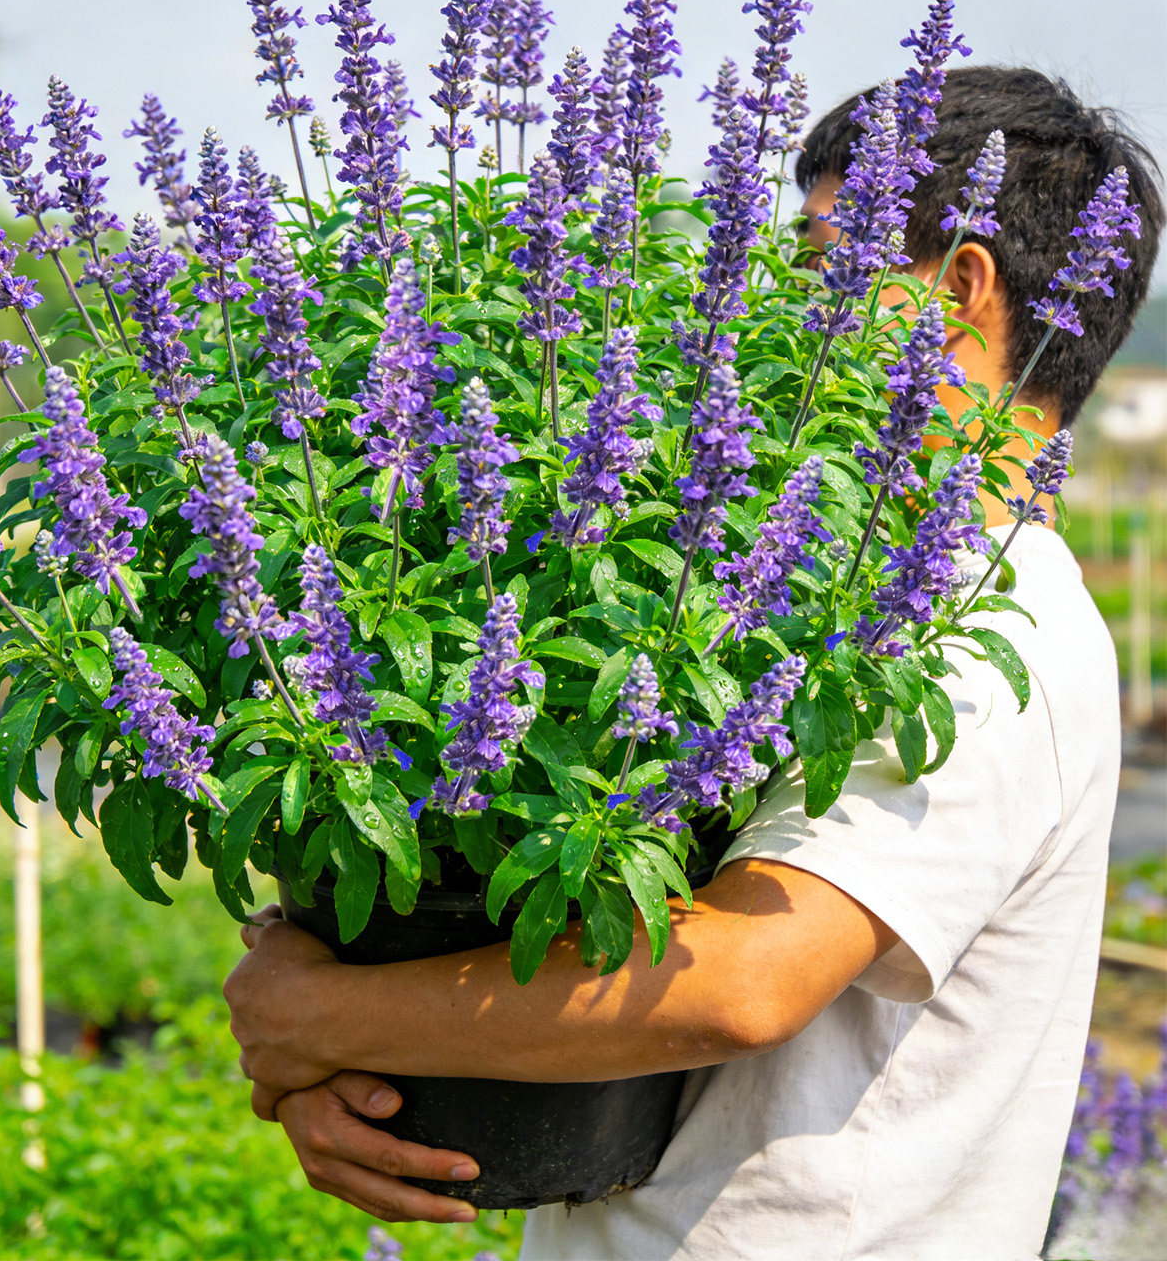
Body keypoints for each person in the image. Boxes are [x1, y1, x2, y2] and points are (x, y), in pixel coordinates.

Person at [222, 67, 1163, 1260]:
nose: (777, 305)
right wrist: (357, 1069)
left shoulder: (988, 622)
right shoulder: (827, 593)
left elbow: (745, 979)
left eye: (826, 265)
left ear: (962, 286)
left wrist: (318, 1012)